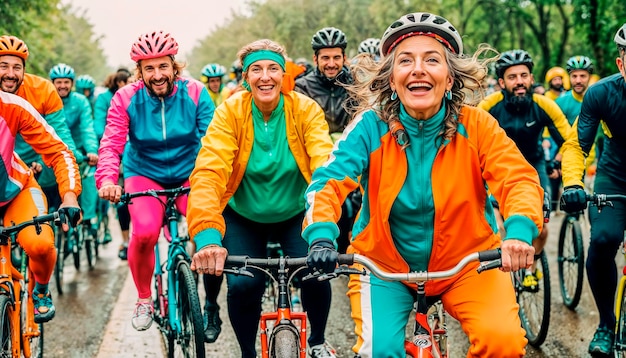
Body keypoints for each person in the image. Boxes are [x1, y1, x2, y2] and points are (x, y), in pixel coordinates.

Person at [301, 12, 543, 357]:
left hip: (470, 264)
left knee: (501, 341)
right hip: (383, 269)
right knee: (378, 351)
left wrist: (518, 232)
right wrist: (322, 234)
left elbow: (517, 178)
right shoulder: (369, 126)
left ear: (450, 78)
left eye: (432, 60)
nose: (418, 69)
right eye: (405, 61)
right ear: (391, 78)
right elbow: (326, 182)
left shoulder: (478, 126)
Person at [186, 39, 337, 358]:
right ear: (245, 77)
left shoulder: (304, 108)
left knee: (315, 274)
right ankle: (247, 352)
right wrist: (208, 238)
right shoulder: (231, 111)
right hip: (243, 216)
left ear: (284, 76)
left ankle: (318, 342)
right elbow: (209, 171)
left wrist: (323, 231)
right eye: (256, 69)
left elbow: (325, 166)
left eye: (273, 68)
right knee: (242, 285)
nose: (265, 76)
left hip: (295, 211)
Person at [95, 30, 214, 332]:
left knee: (210, 231)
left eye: (163, 66)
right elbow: (111, 143)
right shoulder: (125, 98)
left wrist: (216, 178)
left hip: (190, 171)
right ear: (140, 71)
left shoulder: (197, 93)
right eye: (149, 68)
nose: (157, 74)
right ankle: (145, 298)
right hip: (144, 173)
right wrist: (109, 178)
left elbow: (214, 143)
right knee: (146, 232)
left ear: (175, 66)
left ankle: (210, 302)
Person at [560, 22, 626, 357]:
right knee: (601, 241)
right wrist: (572, 182)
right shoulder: (602, 93)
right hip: (615, 175)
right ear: (621, 63)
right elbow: (575, 145)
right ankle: (606, 324)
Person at [477, 49, 571, 283]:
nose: (519, 81)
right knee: (495, 227)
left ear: (531, 78)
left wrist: (558, 162)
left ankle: (531, 269)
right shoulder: (489, 106)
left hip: (534, 164)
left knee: (539, 227)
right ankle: (499, 278)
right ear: (501, 82)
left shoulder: (544, 104)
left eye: (524, 75)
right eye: (512, 77)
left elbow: (570, 142)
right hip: (496, 169)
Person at [1, 90, 82, 323]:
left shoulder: (14, 106)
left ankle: (41, 291)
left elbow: (59, 151)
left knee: (40, 244)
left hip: (18, 191)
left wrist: (69, 196)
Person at [295, 26, 359, 255]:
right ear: (316, 58)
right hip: (313, 158)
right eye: (325, 58)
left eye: (336, 57)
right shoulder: (302, 87)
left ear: (344, 57)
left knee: (353, 206)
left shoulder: (355, 85)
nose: (331, 63)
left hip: (348, 156)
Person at [0, 35, 79, 210]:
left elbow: (59, 136)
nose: (10, 74)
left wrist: (71, 182)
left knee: (38, 228)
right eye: (3, 66)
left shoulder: (42, 91)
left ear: (24, 70)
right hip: (7, 163)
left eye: (17, 67)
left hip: (34, 164)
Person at [49, 63, 100, 236]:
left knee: (87, 179)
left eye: (66, 82)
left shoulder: (80, 101)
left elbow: (87, 128)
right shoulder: (46, 98)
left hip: (79, 149)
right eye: (59, 82)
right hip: (53, 148)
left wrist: (91, 150)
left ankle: (90, 217)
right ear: (53, 83)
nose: (62, 86)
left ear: (72, 83)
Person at [94, 68, 134, 259]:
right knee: (122, 203)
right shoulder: (105, 99)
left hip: (133, 153)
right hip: (116, 152)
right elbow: (102, 128)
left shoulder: (137, 95)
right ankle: (125, 241)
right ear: (120, 84)